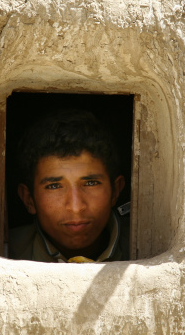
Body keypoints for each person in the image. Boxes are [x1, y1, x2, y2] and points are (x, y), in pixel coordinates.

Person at [8, 109, 129, 263]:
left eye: (91, 183)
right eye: (54, 186)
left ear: (115, 191)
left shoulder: (147, 248)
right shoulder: (3, 254)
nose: (76, 207)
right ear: (29, 199)